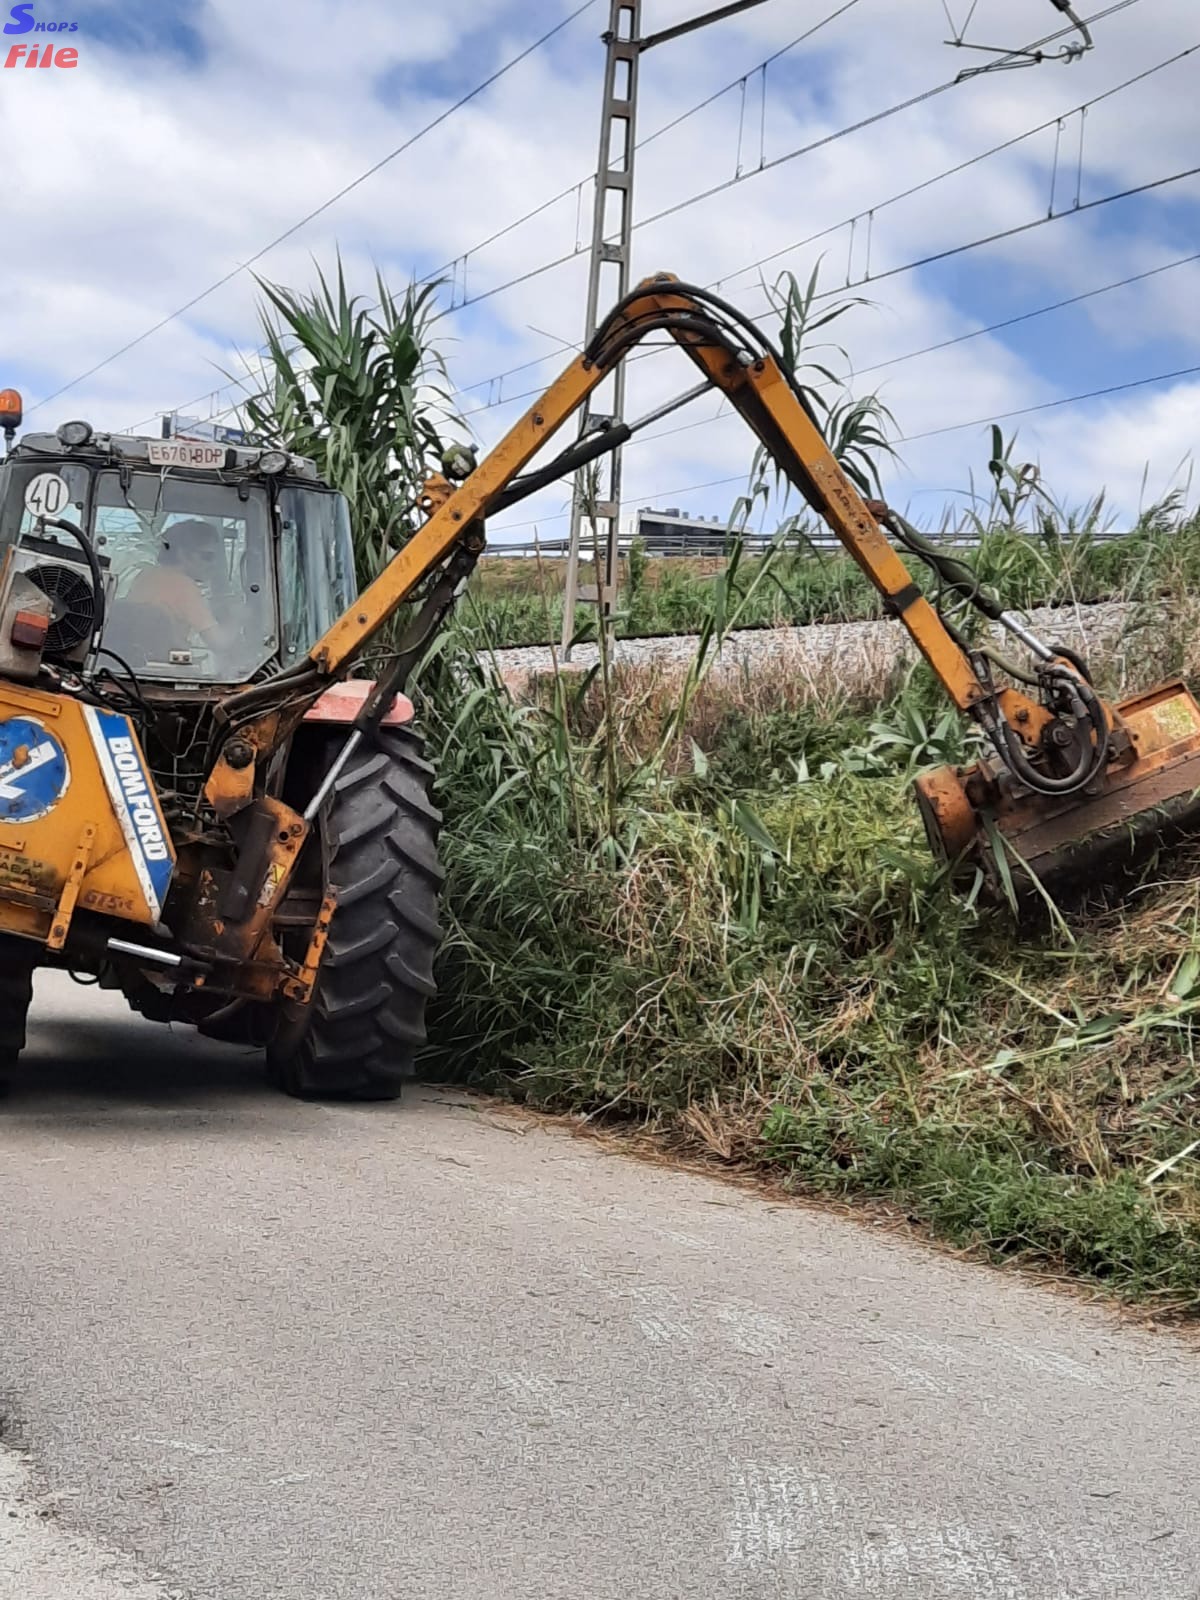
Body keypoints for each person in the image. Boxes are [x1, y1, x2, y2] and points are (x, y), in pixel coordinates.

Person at [125, 519, 228, 651]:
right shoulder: (184, 587)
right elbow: (219, 643)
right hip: (164, 665)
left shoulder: (145, 577)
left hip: (135, 661)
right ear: (183, 554)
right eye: (207, 556)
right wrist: (238, 618)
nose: (213, 564)